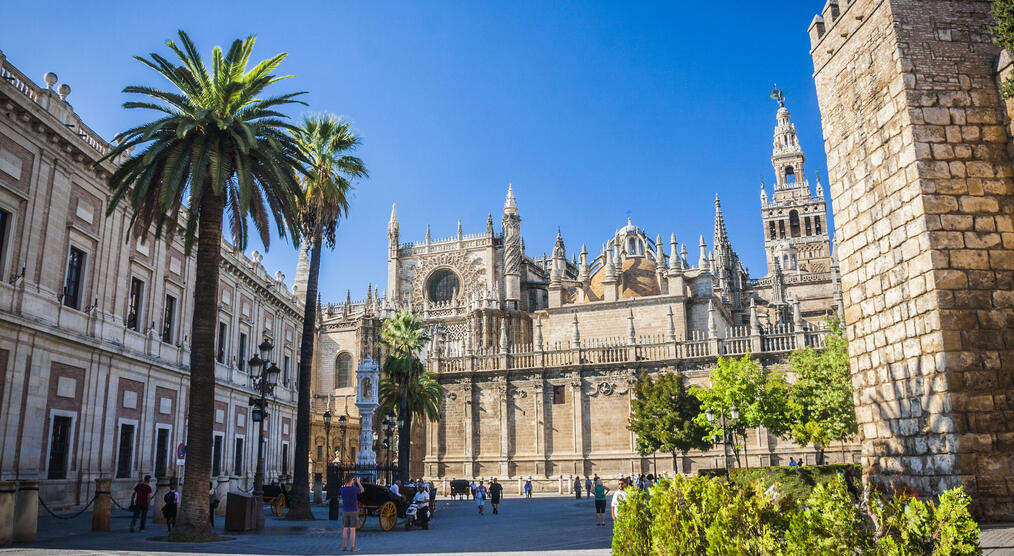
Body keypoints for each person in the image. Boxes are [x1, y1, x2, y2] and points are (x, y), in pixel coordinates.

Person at [341, 475, 364, 552]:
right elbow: (362, 490)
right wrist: (358, 482)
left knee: (345, 528)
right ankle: (352, 547)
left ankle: (344, 546)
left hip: (345, 510)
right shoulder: (354, 489)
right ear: (351, 481)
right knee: (352, 529)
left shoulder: (342, 489)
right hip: (353, 510)